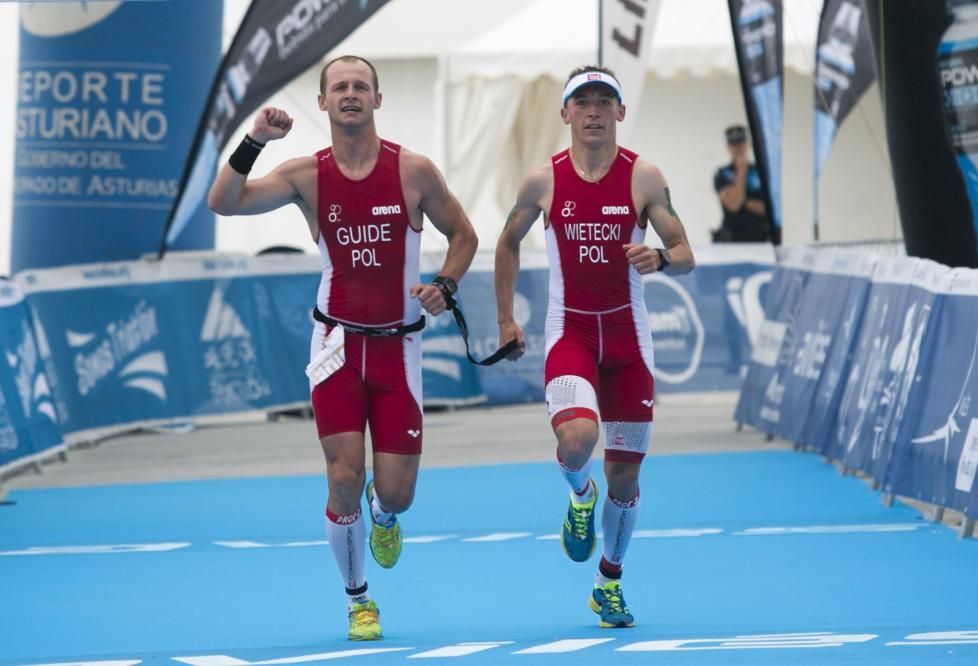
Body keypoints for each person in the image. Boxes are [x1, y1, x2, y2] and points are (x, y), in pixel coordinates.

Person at [208, 55, 478, 641]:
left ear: (378, 100)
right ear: (324, 103)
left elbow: (464, 234)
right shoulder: (306, 173)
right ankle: (358, 599)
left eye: (361, 86)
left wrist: (445, 286)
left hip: (399, 351)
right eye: (339, 88)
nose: (350, 94)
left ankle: (384, 517)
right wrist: (255, 139)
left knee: (397, 494)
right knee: (342, 476)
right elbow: (224, 202)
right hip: (334, 346)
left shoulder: (414, 171)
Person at [494, 65, 695, 628]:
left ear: (620, 113)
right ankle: (579, 495)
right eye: (581, 102)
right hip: (572, 335)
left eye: (605, 101)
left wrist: (660, 258)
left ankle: (608, 583)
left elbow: (685, 252)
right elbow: (506, 242)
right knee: (578, 440)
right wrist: (507, 318)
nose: (593, 111)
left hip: (630, 345)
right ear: (565, 115)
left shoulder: (644, 178)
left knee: (626, 480)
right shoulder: (543, 181)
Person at [712, 124, 774, 243]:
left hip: (761, 238)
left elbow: (769, 209)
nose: (738, 147)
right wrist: (741, 171)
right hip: (731, 238)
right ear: (728, 147)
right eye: (733, 144)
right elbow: (733, 206)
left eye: (741, 142)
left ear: (748, 144)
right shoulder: (721, 173)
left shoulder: (761, 172)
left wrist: (742, 201)